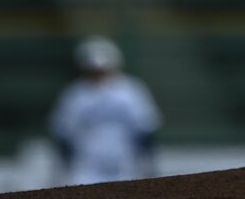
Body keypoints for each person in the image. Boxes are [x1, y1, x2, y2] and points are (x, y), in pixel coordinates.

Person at [48, 36, 162, 185]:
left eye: (103, 69)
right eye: (94, 70)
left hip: (126, 163)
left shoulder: (131, 91)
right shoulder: (76, 94)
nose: (99, 74)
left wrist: (148, 163)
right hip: (86, 165)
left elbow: (145, 128)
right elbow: (64, 133)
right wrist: (63, 168)